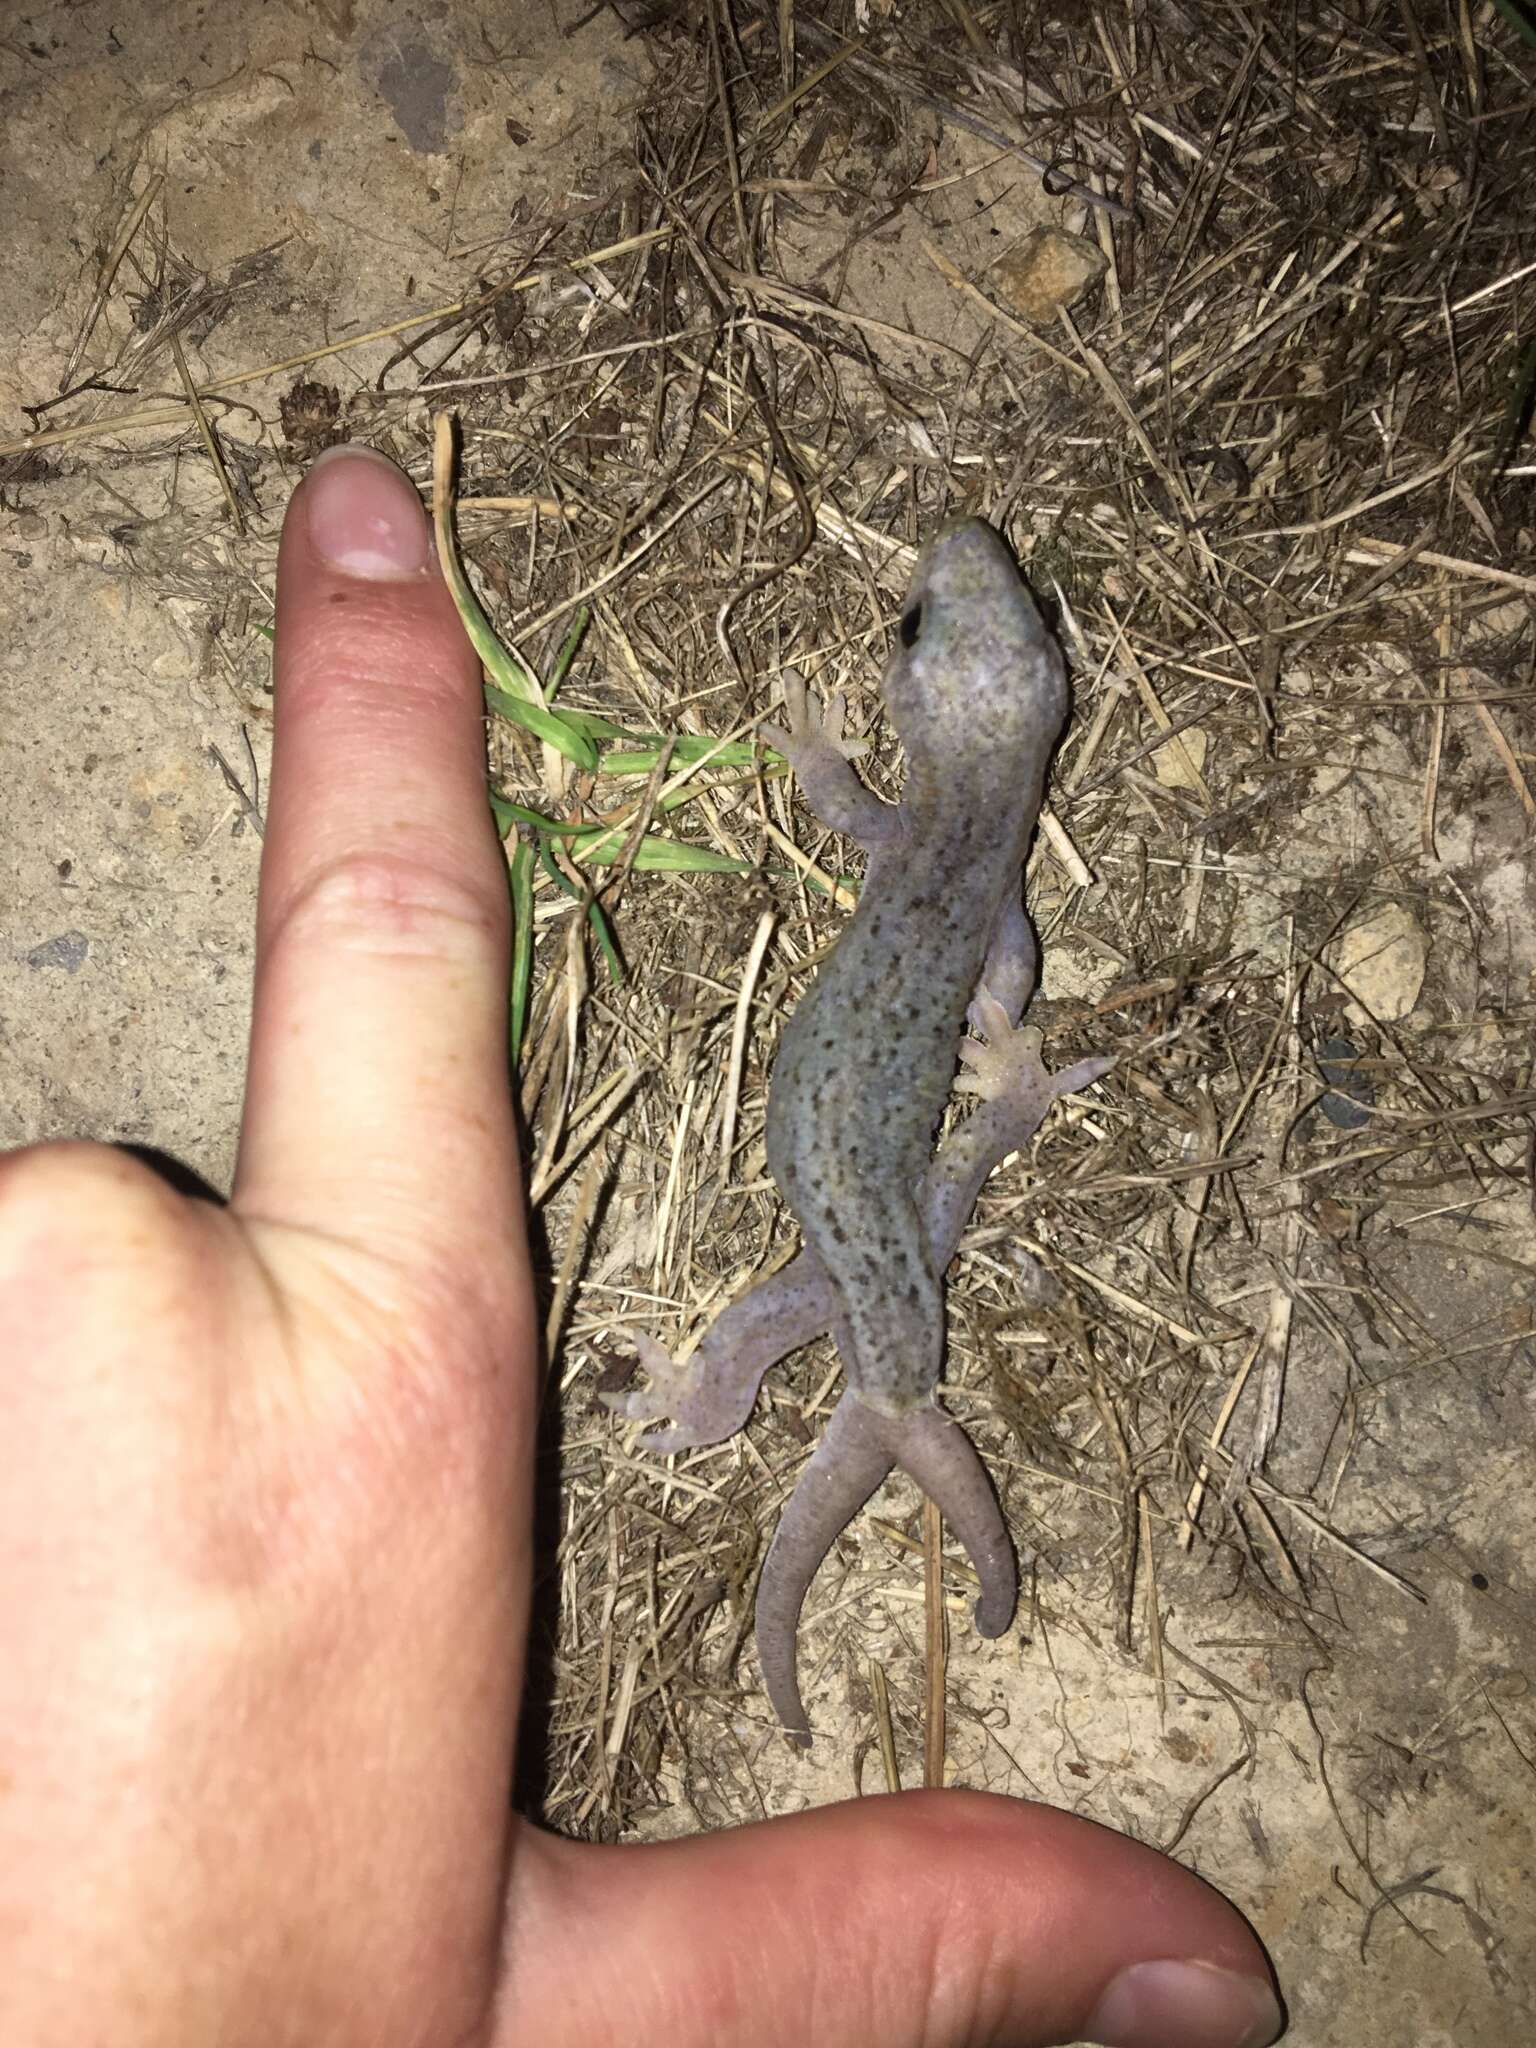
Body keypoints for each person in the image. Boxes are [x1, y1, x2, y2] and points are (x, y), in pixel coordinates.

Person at [0, 445, 1284, 2047]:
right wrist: (1004, 1050)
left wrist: (823, 773)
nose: (971, 568)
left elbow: (877, 848)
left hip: (863, 1219)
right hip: (885, 1211)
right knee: (891, 1261)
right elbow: (1001, 968)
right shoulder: (984, 875)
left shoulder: (909, 837)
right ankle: (800, 1399)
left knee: (850, 1295)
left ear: (992, 712)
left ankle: (732, 1402)